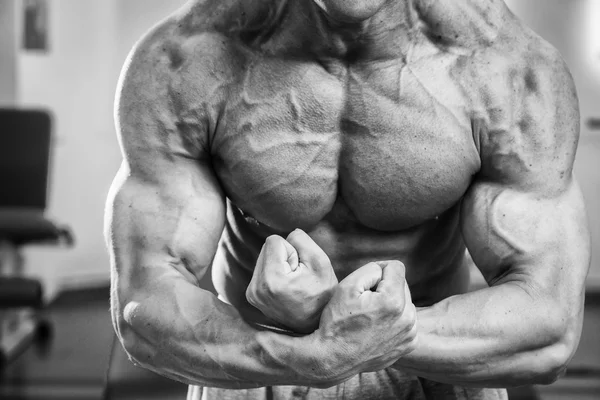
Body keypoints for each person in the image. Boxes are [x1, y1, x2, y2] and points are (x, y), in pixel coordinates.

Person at [104, 0, 591, 399]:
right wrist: (303, 356)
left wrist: (367, 339)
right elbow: (144, 311)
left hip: (442, 368)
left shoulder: (507, 71)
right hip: (254, 367)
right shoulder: (185, 61)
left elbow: (549, 327)